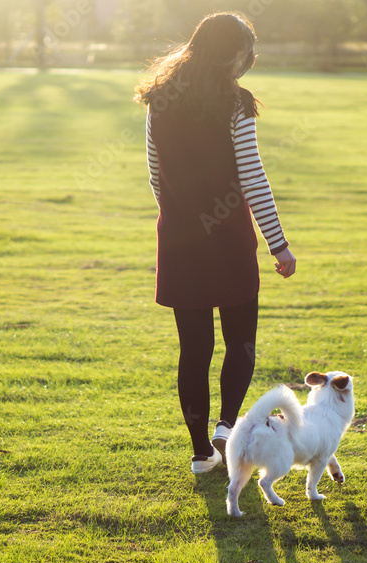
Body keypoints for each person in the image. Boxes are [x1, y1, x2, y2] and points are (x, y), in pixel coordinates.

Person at [134, 12, 296, 474]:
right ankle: (227, 426)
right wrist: (278, 244)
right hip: (228, 240)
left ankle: (202, 451)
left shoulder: (159, 99)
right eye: (247, 51)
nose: (250, 60)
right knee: (241, 339)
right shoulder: (236, 103)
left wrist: (180, 216)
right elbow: (253, 177)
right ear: (233, 54)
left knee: (194, 349)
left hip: (180, 241)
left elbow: (154, 172)